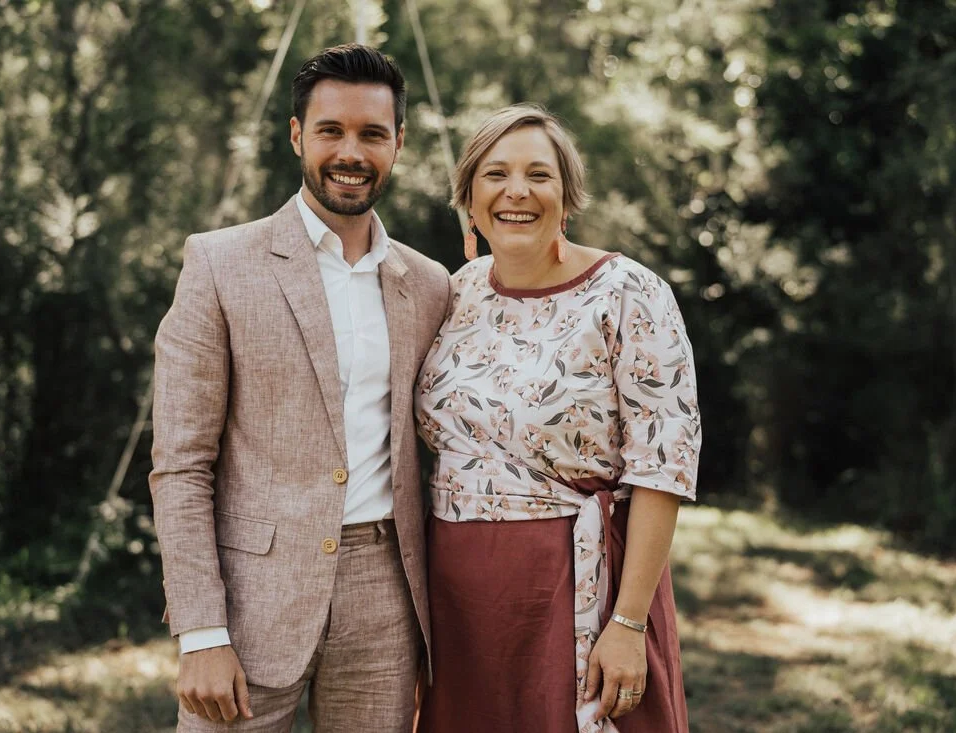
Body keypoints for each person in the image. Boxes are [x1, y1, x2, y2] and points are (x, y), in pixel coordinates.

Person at [150, 44, 451, 733]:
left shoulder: (429, 283)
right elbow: (181, 465)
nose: (351, 151)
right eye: (331, 131)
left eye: (373, 133)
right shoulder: (219, 263)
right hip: (251, 598)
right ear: (296, 136)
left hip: (385, 597)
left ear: (398, 143)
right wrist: (199, 629)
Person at [414, 104, 701, 733]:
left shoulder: (630, 293)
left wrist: (626, 624)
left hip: (578, 584)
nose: (516, 192)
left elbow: (663, 469)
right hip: (458, 598)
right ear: (469, 199)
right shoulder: (455, 293)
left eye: (538, 175)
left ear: (566, 195)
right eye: (495, 175)